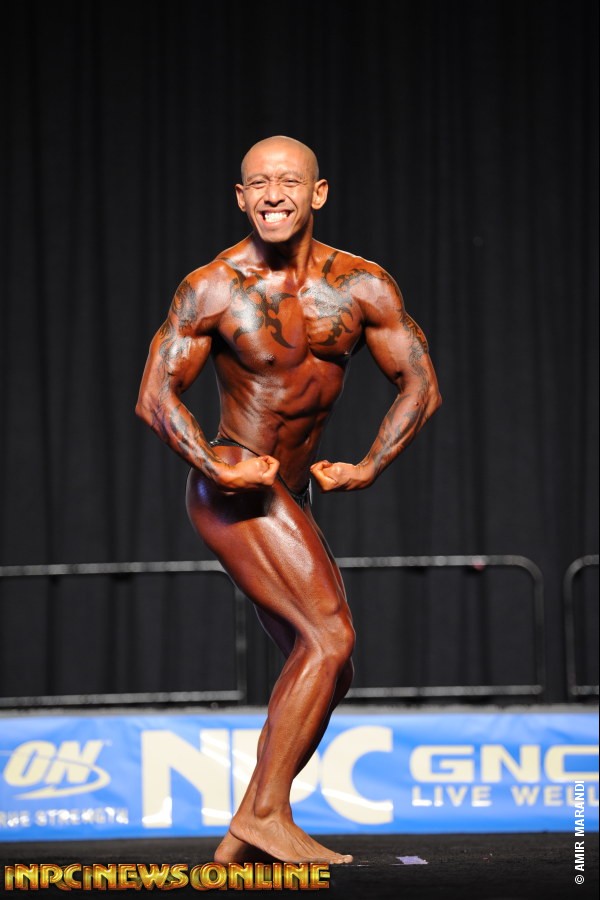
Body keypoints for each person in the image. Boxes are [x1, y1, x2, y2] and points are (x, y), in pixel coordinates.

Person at [135, 135, 442, 864]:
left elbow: (421, 385)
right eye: (259, 183)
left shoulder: (362, 286)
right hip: (234, 482)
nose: (274, 194)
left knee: (332, 666)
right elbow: (154, 396)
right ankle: (268, 814)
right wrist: (212, 464)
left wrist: (370, 465)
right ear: (242, 198)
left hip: (292, 493)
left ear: (317, 193)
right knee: (329, 638)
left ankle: (246, 829)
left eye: (289, 181)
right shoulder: (214, 287)